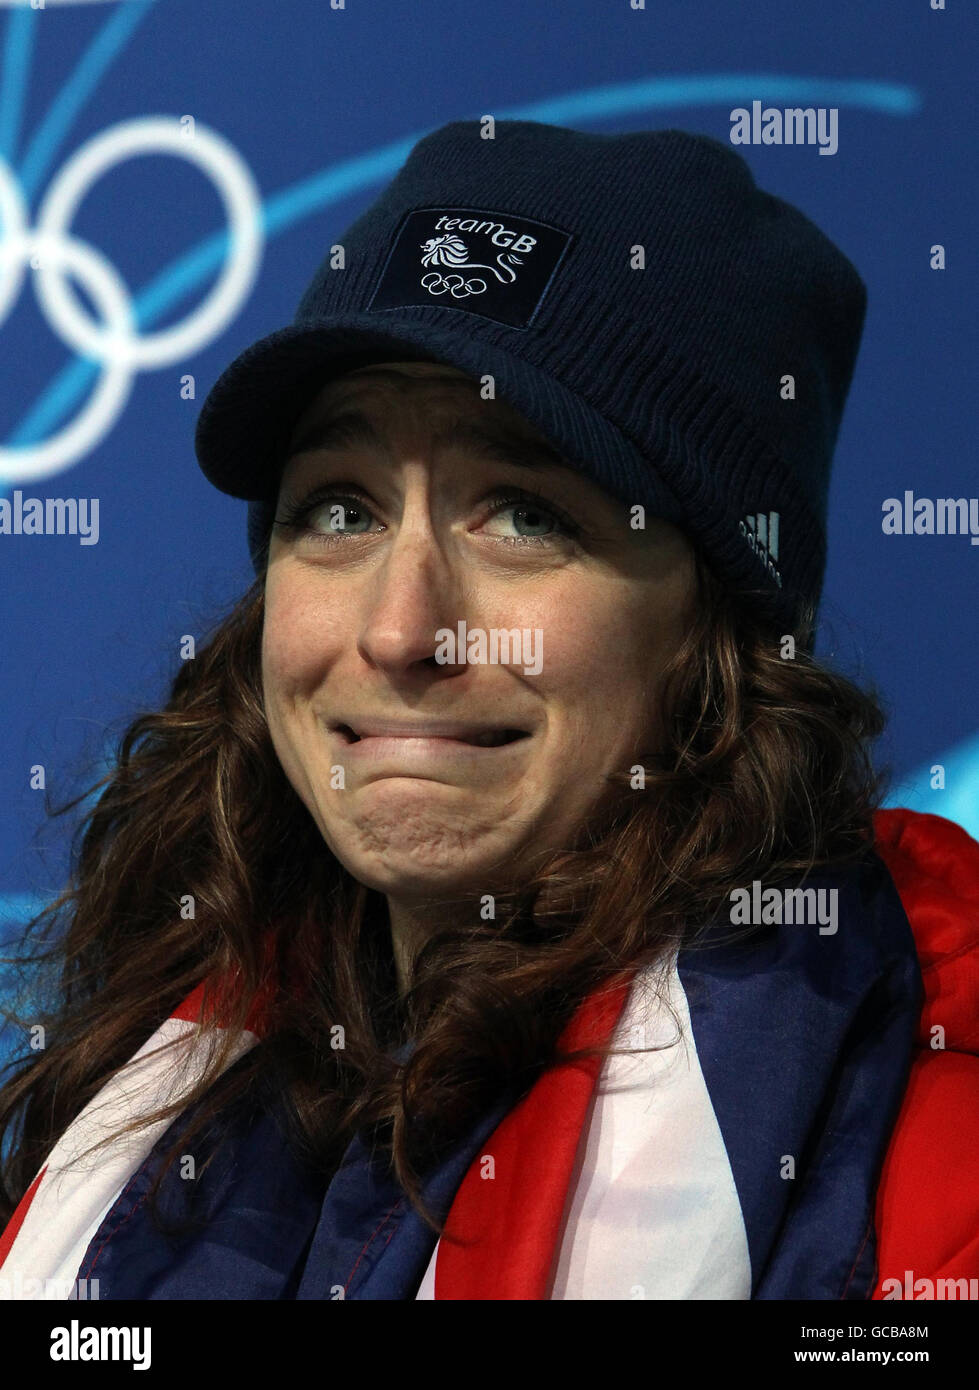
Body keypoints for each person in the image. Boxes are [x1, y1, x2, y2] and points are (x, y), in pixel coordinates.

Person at [0, 120, 976, 1302]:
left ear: (722, 628)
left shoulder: (919, 1093)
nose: (402, 630)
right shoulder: (161, 1063)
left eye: (523, 514)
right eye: (341, 510)